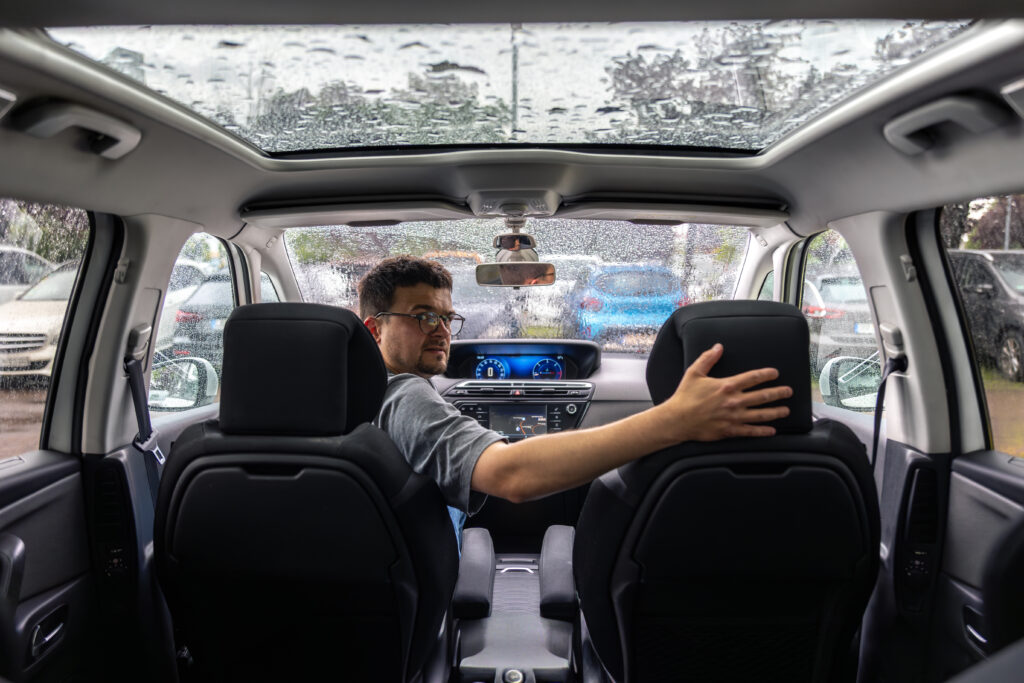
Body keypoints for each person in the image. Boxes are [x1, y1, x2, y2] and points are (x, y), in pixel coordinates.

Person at [359, 256, 791, 546]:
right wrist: (674, 420)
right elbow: (511, 474)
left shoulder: (349, 396)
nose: (441, 330)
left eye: (447, 317)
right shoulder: (404, 393)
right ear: (374, 329)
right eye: (422, 316)